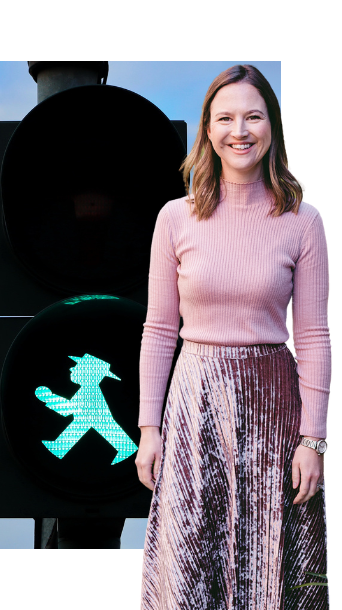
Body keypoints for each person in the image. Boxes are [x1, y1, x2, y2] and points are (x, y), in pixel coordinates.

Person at [134, 64, 329, 609]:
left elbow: (312, 336)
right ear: (208, 130)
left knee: (273, 572)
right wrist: (149, 429)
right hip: (194, 410)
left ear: (272, 126)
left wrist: (313, 442)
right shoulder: (175, 219)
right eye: (225, 118)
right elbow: (157, 329)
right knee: (188, 567)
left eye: (252, 116)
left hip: (273, 410)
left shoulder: (302, 222)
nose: (239, 130)